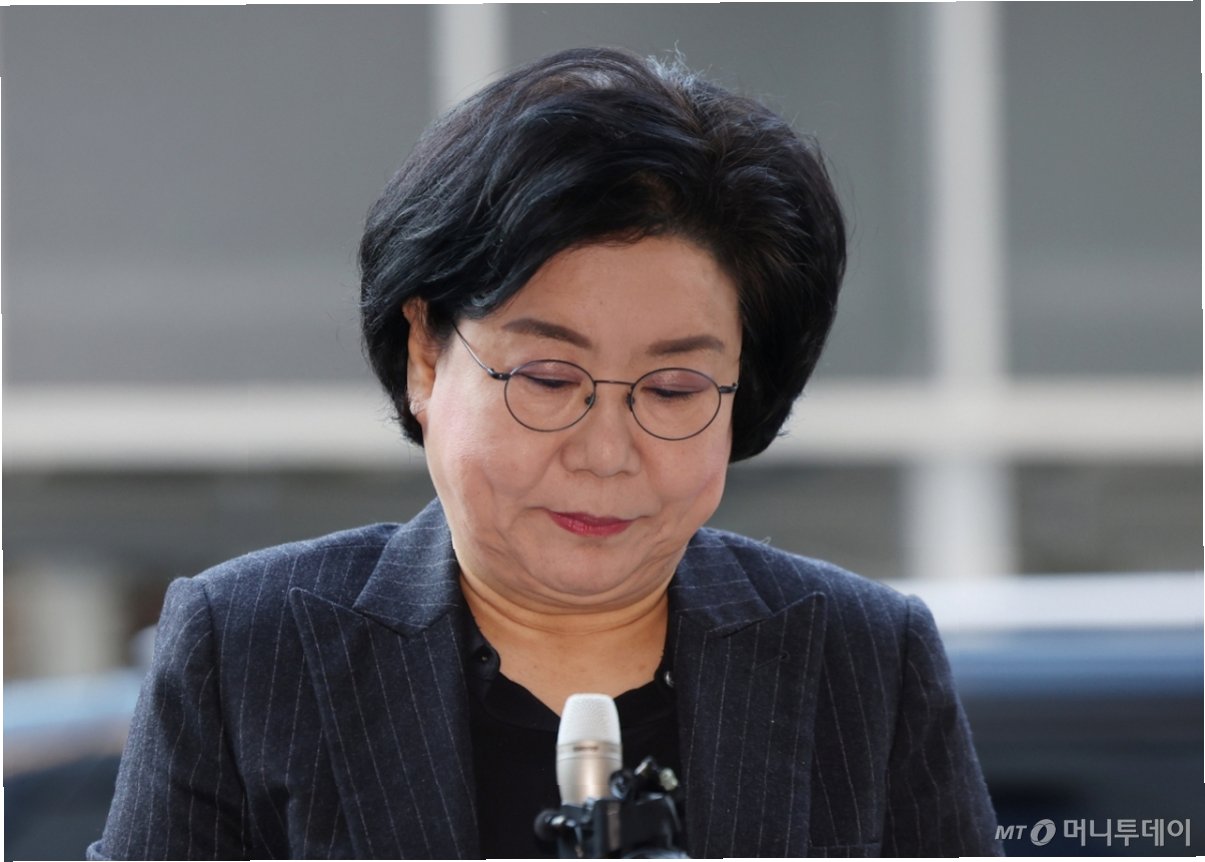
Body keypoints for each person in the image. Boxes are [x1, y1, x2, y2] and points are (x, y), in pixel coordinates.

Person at [88, 46, 1002, 859]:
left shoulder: (861, 661)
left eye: (673, 390)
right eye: (549, 378)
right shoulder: (250, 649)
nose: (605, 453)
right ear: (425, 356)